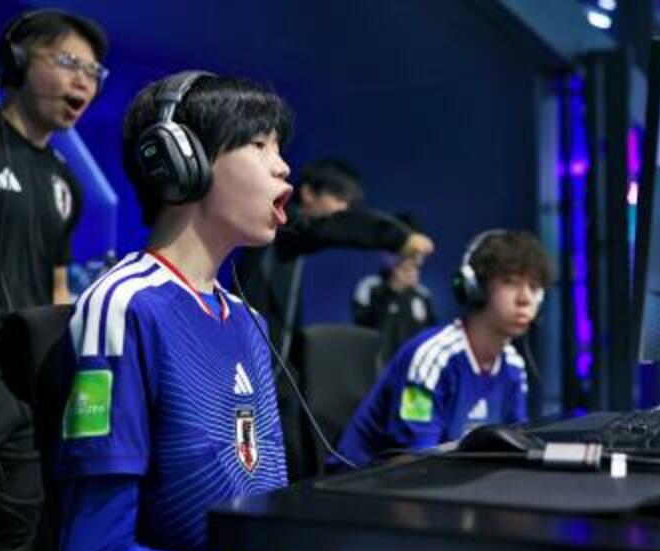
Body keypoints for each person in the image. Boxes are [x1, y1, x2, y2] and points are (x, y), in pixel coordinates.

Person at [54, 71, 321, 551]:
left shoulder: (247, 319)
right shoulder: (125, 306)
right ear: (179, 161)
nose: (283, 165)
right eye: (258, 143)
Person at [0, 9, 107, 551]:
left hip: (21, 382)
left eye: (93, 72)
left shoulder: (67, 181)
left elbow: (58, 286)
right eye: (68, 62)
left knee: (19, 542)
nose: (83, 81)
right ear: (18, 61)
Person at [334, 230, 554, 468]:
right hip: (364, 481)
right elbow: (414, 462)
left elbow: (515, 449)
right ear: (475, 287)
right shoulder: (434, 358)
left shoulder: (513, 366)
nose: (526, 299)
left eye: (534, 287)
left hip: (450, 479)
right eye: (510, 282)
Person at [236, 158, 434, 364]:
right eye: (339, 198)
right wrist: (400, 238)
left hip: (270, 365)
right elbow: (333, 227)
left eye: (348, 202)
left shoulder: (291, 239)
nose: (344, 208)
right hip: (248, 360)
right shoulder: (283, 226)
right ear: (309, 193)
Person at [353, 214, 437, 362]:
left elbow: (430, 339)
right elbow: (363, 333)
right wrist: (394, 290)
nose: (413, 259)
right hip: (377, 371)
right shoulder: (370, 288)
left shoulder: (422, 295)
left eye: (416, 253)